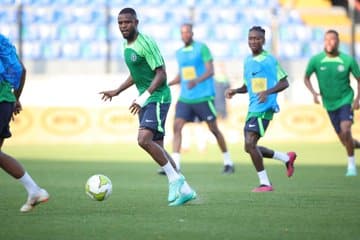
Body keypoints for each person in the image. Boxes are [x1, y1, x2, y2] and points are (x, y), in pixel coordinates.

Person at [99, 8, 196, 206]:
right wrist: (117, 91)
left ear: (136, 22)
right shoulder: (126, 45)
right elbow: (137, 74)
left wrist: (145, 96)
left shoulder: (146, 42)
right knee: (157, 146)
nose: (123, 26)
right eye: (120, 23)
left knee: (143, 139)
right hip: (146, 98)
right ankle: (186, 191)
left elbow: (161, 74)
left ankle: (175, 179)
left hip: (158, 96)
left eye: (127, 22)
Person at [225, 26, 297, 192]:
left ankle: (265, 183)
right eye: (251, 38)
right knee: (249, 147)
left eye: (257, 38)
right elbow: (248, 85)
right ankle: (286, 158)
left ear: (263, 40)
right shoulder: (248, 61)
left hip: (265, 107)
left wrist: (268, 92)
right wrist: (235, 91)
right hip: (253, 108)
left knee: (250, 144)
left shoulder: (269, 60)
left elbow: (284, 82)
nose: (253, 41)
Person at [161, 23, 234, 174]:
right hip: (185, 98)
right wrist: (168, 83)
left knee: (213, 129)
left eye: (187, 32)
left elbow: (210, 71)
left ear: (192, 33)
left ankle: (228, 162)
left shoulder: (202, 48)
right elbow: (182, 74)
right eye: (182, 32)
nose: (185, 35)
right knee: (177, 126)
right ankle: (175, 166)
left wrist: (196, 81)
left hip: (203, 97)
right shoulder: (179, 52)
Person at [0, 33, 49, 212]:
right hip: (5, 99)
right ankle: (34, 190)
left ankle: (34, 189)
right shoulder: (2, 40)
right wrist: (15, 98)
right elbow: (22, 69)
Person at [304, 29, 360, 177]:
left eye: (333, 39)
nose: (329, 42)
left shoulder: (347, 60)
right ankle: (357, 145)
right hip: (329, 104)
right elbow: (306, 77)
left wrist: (357, 99)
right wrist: (314, 93)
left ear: (338, 42)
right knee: (345, 141)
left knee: (346, 129)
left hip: (345, 100)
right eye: (327, 39)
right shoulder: (316, 60)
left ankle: (351, 167)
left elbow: (359, 79)